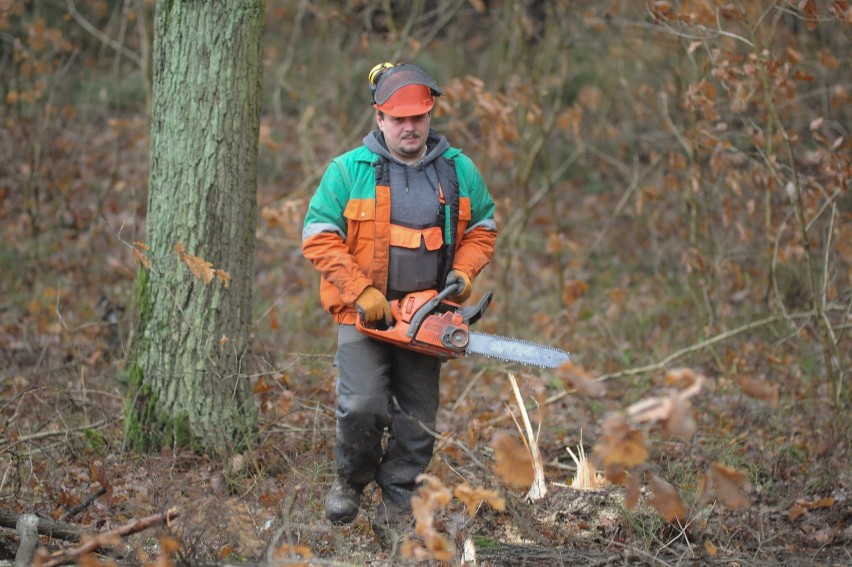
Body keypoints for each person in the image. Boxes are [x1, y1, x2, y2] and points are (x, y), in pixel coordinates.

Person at [301, 61, 497, 542]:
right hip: (363, 314)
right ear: (379, 117)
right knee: (362, 406)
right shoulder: (349, 170)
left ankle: (394, 512)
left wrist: (463, 273)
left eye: (418, 117)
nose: (409, 128)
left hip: (427, 316)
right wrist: (359, 291)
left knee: (417, 424)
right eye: (398, 119)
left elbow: (484, 228)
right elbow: (319, 236)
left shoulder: (458, 171)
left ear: (430, 115)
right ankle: (350, 479)